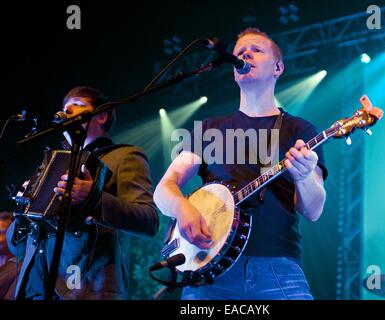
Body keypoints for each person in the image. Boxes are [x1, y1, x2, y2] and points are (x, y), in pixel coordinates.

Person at [154, 28, 328, 300]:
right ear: (234, 71)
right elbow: (164, 188)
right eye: (239, 53)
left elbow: (314, 210)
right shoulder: (208, 129)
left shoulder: (300, 130)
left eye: (256, 50)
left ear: (278, 67)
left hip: (277, 267)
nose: (246, 53)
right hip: (210, 273)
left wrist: (304, 176)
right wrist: (182, 208)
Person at [7, 86, 159, 299]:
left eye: (77, 104)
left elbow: (149, 222)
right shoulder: (50, 165)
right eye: (64, 107)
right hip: (35, 288)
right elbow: (17, 247)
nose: (66, 111)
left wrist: (94, 198)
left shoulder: (125, 156)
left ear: (102, 116)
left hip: (88, 288)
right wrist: (23, 210)